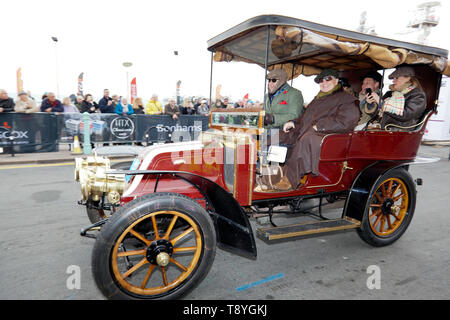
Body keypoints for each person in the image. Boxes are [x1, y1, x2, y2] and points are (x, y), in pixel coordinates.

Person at [274, 69, 360, 191]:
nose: (324, 83)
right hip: (305, 130)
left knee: (307, 139)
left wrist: (320, 126)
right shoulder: (318, 98)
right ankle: (270, 171)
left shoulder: (347, 99)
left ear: (336, 81)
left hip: (327, 136)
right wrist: (293, 122)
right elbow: (305, 118)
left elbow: (346, 122)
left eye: (328, 79)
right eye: (321, 80)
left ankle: (290, 179)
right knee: (274, 135)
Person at [375, 66, 426, 131]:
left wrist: (381, 103)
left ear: (408, 78)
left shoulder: (418, 95)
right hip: (383, 128)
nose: (393, 81)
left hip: (400, 132)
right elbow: (377, 114)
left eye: (396, 78)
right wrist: (372, 104)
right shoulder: (390, 93)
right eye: (393, 78)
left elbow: (406, 115)